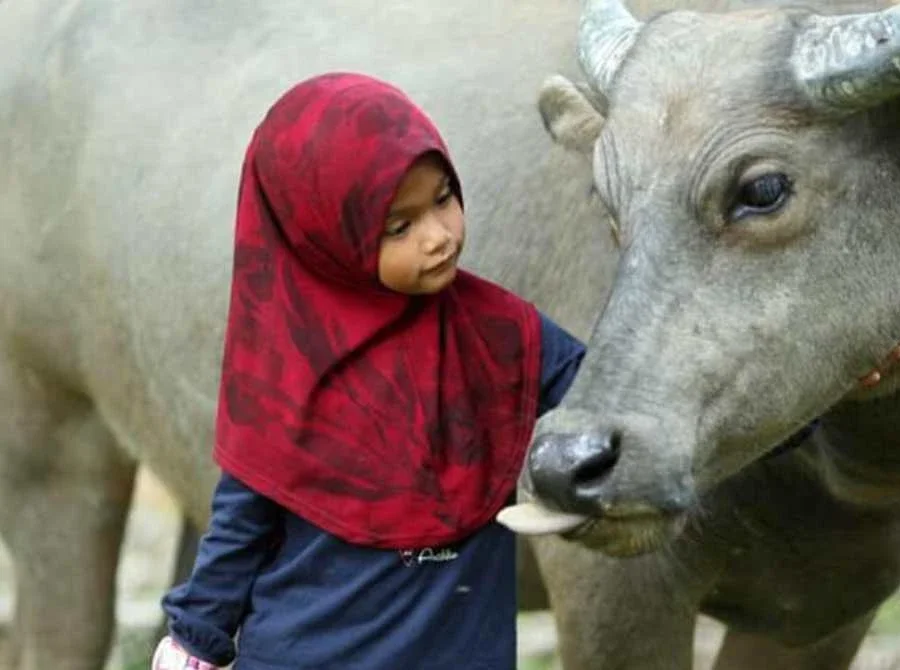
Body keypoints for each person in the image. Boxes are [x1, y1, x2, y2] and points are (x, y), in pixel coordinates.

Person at [150, 72, 587, 670]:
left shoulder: (501, 334)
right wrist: (195, 637)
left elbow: (601, 394)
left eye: (443, 199)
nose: (437, 237)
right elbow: (241, 523)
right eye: (398, 227)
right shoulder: (290, 370)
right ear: (325, 237)